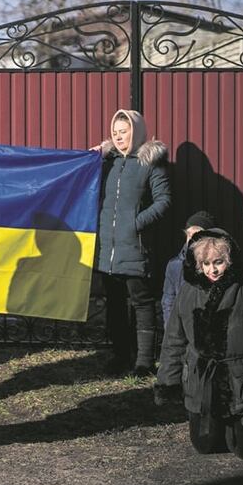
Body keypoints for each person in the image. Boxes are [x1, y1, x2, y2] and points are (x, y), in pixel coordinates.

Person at [154, 228, 243, 460]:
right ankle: (220, 424)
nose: (212, 270)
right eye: (205, 263)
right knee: (205, 446)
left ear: (230, 260)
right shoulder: (188, 292)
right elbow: (174, 340)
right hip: (202, 382)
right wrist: (169, 381)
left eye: (218, 262)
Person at [95, 109, 171, 376]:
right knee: (115, 306)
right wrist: (91, 157)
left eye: (123, 131)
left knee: (141, 303)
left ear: (136, 131)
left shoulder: (150, 163)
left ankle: (144, 362)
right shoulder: (107, 162)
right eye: (115, 133)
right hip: (107, 250)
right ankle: (120, 357)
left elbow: (163, 201)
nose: (118, 137)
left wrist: (134, 223)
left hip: (135, 247)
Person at [161, 211, 217, 330]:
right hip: (181, 326)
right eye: (190, 234)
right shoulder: (175, 265)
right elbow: (168, 302)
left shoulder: (216, 265)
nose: (192, 239)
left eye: (198, 235)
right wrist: (170, 330)